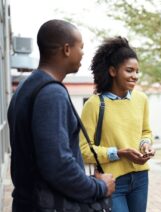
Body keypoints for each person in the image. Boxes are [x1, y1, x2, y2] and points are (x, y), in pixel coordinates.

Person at [7, 19, 115, 211]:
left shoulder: (26, 87)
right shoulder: (52, 93)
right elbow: (58, 165)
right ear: (66, 49)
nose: (82, 53)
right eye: (80, 47)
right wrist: (99, 187)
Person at [79, 36, 154, 212]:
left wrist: (146, 144)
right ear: (113, 71)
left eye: (137, 71)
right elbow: (84, 150)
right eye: (129, 71)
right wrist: (120, 153)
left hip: (141, 177)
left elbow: (145, 131)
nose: (134, 76)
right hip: (112, 180)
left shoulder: (141, 99)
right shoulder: (94, 104)